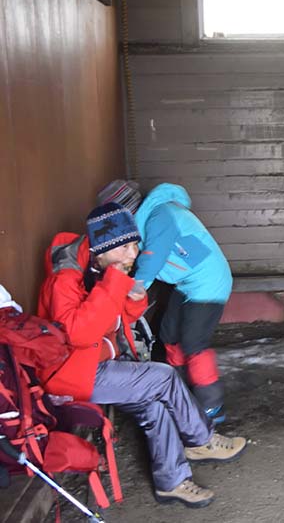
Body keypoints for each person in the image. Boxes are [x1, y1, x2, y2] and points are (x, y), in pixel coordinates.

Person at [37, 203, 246, 507]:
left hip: (103, 363)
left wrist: (133, 299)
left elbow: (120, 318)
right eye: (125, 247)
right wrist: (113, 284)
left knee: (154, 407)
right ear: (100, 248)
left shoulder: (103, 268)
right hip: (71, 373)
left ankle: (172, 483)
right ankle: (201, 439)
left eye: (134, 244)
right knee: (163, 377)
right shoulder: (66, 278)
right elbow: (79, 334)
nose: (133, 254)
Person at [97, 181, 232, 424]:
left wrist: (132, 290)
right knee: (169, 334)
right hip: (187, 284)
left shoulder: (161, 215)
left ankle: (212, 405)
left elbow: (153, 258)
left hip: (209, 282)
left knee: (193, 342)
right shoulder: (149, 219)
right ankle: (179, 392)